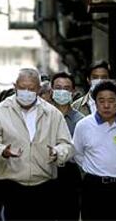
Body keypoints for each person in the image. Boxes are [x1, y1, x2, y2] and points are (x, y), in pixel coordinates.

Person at [0, 68, 74, 220]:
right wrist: (2, 151)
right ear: (15, 86)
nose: (26, 92)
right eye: (22, 88)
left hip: (44, 184)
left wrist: (57, 152)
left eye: (31, 89)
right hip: (11, 183)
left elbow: (67, 145)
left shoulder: (52, 113)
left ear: (39, 89)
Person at [73, 80, 116, 220]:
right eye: (101, 100)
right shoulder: (84, 125)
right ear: (95, 102)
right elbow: (78, 154)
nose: (106, 105)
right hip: (93, 187)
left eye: (111, 101)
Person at [50, 71, 85, 221]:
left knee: (69, 214)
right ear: (51, 91)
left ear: (73, 91)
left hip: (71, 174)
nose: (62, 92)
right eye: (58, 87)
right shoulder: (43, 116)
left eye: (66, 88)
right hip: (47, 171)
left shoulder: (81, 121)